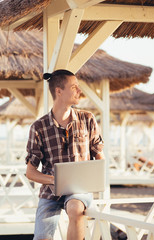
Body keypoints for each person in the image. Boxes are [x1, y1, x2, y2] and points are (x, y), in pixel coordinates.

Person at [25, 69, 104, 240]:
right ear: (59, 91)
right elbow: (30, 172)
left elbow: (100, 159)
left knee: (75, 208)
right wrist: (55, 180)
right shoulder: (38, 127)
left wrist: (94, 177)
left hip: (80, 190)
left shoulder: (88, 119)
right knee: (41, 238)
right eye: (74, 87)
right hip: (49, 192)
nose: (79, 91)